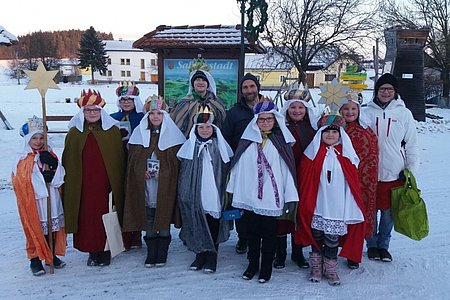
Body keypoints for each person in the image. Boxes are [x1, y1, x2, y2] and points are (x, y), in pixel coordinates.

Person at [227, 101, 299, 283]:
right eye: (262, 119)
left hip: (270, 197)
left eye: (269, 119)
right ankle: (252, 265)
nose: (265, 122)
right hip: (250, 195)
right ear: (256, 121)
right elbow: (239, 166)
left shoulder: (280, 142)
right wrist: (233, 188)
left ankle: (266, 267)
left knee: (269, 234)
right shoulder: (248, 141)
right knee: (252, 233)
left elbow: (287, 170)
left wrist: (289, 193)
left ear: (275, 121)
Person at [295, 114, 365, 285]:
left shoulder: (346, 154)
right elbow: (305, 180)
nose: (330, 135)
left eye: (334, 132)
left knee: (332, 237)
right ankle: (317, 267)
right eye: (327, 132)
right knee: (316, 235)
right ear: (320, 134)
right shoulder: (312, 154)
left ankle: (331, 269)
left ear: (340, 134)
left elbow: (352, 182)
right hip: (317, 203)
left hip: (336, 204)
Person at [62, 89, 125, 267]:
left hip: (105, 185)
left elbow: (118, 160)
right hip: (82, 186)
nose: (92, 113)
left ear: (101, 111)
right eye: (88, 110)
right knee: (86, 218)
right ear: (82, 112)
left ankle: (105, 250)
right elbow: (69, 160)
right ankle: (91, 250)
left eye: (95, 110)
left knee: (106, 215)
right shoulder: (74, 133)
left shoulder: (112, 132)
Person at [123, 96, 185, 267]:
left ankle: (162, 252)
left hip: (165, 186)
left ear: (165, 115)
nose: (156, 116)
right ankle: (151, 252)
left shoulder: (174, 137)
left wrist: (164, 175)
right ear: (147, 116)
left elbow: (177, 165)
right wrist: (140, 172)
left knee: (164, 216)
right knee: (148, 217)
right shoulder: (138, 135)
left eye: (159, 113)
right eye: (152, 113)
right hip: (146, 186)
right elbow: (132, 163)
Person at [363, 73, 419, 262]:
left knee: (388, 214)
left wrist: (410, 170)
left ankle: (383, 246)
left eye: (389, 89)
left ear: (395, 92)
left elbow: (412, 144)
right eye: (382, 89)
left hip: (394, 172)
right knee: (369, 211)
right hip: (369, 173)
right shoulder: (366, 112)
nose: (385, 92)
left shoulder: (403, 113)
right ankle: (371, 245)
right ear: (376, 91)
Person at [177, 106, 233, 273]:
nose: (205, 130)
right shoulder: (190, 146)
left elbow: (225, 170)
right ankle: (200, 253)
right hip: (196, 191)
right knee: (196, 220)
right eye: (201, 127)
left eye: (208, 126)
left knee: (213, 221)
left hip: (215, 192)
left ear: (213, 128)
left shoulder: (220, 146)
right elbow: (184, 172)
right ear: (196, 129)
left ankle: (212, 255)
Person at [12, 116, 66, 276]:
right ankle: (35, 259)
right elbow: (22, 181)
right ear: (27, 139)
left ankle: (51, 256)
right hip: (35, 201)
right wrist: (43, 178)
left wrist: (54, 168)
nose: (38, 141)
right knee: (35, 228)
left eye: (41, 137)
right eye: (34, 138)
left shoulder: (48, 153)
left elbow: (60, 177)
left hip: (51, 197)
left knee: (52, 227)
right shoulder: (22, 158)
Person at [274, 85, 318, 269]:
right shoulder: (279, 128)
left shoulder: (312, 129)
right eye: (293, 107)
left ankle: (298, 253)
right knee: (282, 215)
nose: (297, 111)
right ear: (287, 109)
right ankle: (280, 254)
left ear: (306, 109)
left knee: (300, 214)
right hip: (283, 176)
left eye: (300, 107)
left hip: (304, 178)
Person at [222, 73, 265, 254]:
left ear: (257, 88)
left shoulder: (268, 108)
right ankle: (243, 237)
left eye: (252, 86)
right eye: (245, 87)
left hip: (264, 163)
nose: (249, 90)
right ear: (241, 91)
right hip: (241, 163)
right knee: (241, 201)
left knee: (261, 200)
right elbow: (226, 137)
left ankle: (260, 237)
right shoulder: (234, 112)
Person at [340, 91, 379, 269]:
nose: (349, 112)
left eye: (353, 108)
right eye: (345, 108)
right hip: (337, 181)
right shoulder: (333, 128)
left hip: (359, 181)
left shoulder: (365, 131)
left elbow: (370, 157)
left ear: (358, 110)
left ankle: (353, 253)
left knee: (356, 217)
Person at [110, 81, 145, 250]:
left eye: (129, 100)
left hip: (136, 159)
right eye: (123, 100)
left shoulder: (142, 118)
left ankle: (136, 233)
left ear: (135, 101)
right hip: (118, 159)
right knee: (119, 196)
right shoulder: (112, 118)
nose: (126, 103)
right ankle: (121, 235)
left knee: (136, 194)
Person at [171, 62, 226, 137]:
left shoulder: (216, 103)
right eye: (197, 80)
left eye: (203, 80)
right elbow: (176, 125)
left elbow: (223, 125)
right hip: (188, 143)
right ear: (193, 83)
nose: (200, 82)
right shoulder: (184, 103)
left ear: (208, 83)